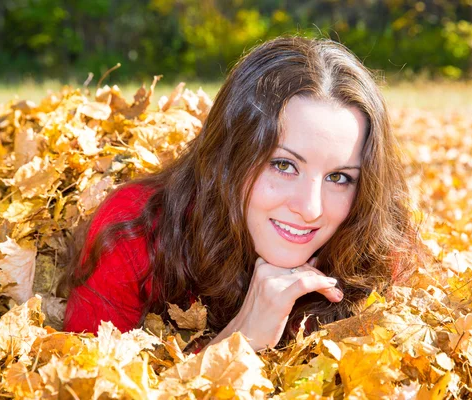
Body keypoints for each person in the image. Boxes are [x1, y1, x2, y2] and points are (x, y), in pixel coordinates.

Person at [58, 35, 423, 351]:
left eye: (340, 177)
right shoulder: (135, 234)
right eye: (283, 165)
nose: (310, 208)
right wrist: (240, 343)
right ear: (229, 155)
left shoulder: (376, 248)